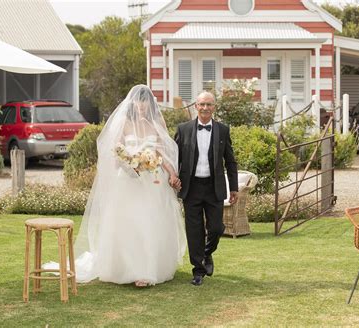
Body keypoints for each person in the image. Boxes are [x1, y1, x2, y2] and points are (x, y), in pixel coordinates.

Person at [70, 85, 186, 287]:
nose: (141, 105)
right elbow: (115, 153)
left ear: (150, 103)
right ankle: (126, 267)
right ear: (133, 102)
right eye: (139, 101)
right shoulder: (124, 122)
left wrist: (172, 173)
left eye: (145, 101)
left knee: (150, 223)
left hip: (153, 181)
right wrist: (128, 166)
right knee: (129, 223)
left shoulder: (157, 121)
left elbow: (161, 154)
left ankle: (147, 271)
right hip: (127, 180)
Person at [175, 91, 238, 286]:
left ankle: (207, 253)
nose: (205, 108)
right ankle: (198, 270)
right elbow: (174, 157)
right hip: (191, 187)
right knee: (194, 231)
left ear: (214, 107)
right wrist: (172, 177)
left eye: (209, 104)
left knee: (216, 228)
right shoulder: (183, 129)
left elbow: (230, 161)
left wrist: (234, 188)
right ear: (196, 106)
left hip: (214, 187)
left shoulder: (222, 130)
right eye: (202, 104)